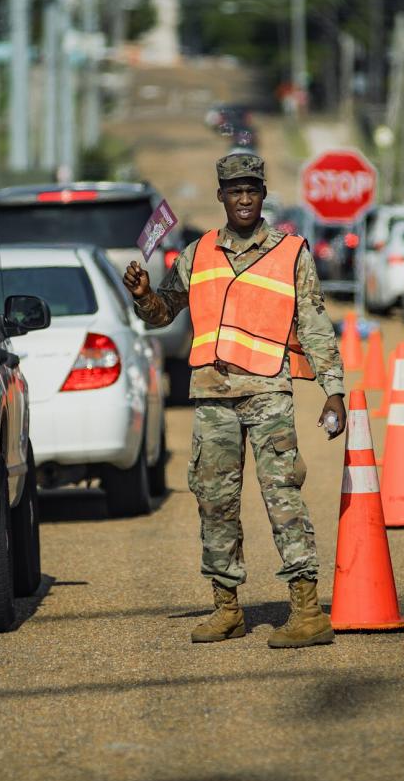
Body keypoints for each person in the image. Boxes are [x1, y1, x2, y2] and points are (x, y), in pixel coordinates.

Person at [122, 152, 346, 649]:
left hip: (268, 393)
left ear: (263, 195)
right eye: (234, 190)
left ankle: (308, 613)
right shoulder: (197, 253)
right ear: (220, 196)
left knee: (283, 498)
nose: (244, 198)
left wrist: (334, 391)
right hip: (212, 399)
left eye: (252, 190)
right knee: (215, 503)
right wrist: (142, 295)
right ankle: (227, 610)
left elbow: (313, 323)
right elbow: (163, 313)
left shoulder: (291, 252)